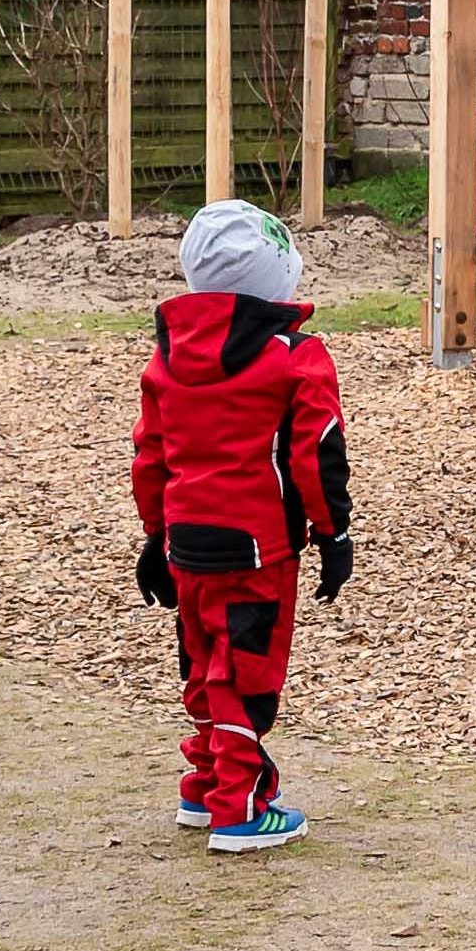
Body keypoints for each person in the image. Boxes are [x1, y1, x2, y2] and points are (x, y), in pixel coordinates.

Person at [133, 200, 355, 854]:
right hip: (260, 546)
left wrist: (153, 536)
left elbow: (151, 452)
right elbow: (318, 450)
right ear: (279, 280)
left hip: (185, 541)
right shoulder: (295, 356)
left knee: (204, 658)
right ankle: (240, 805)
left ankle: (204, 785)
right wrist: (333, 532)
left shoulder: (168, 355)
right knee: (246, 670)